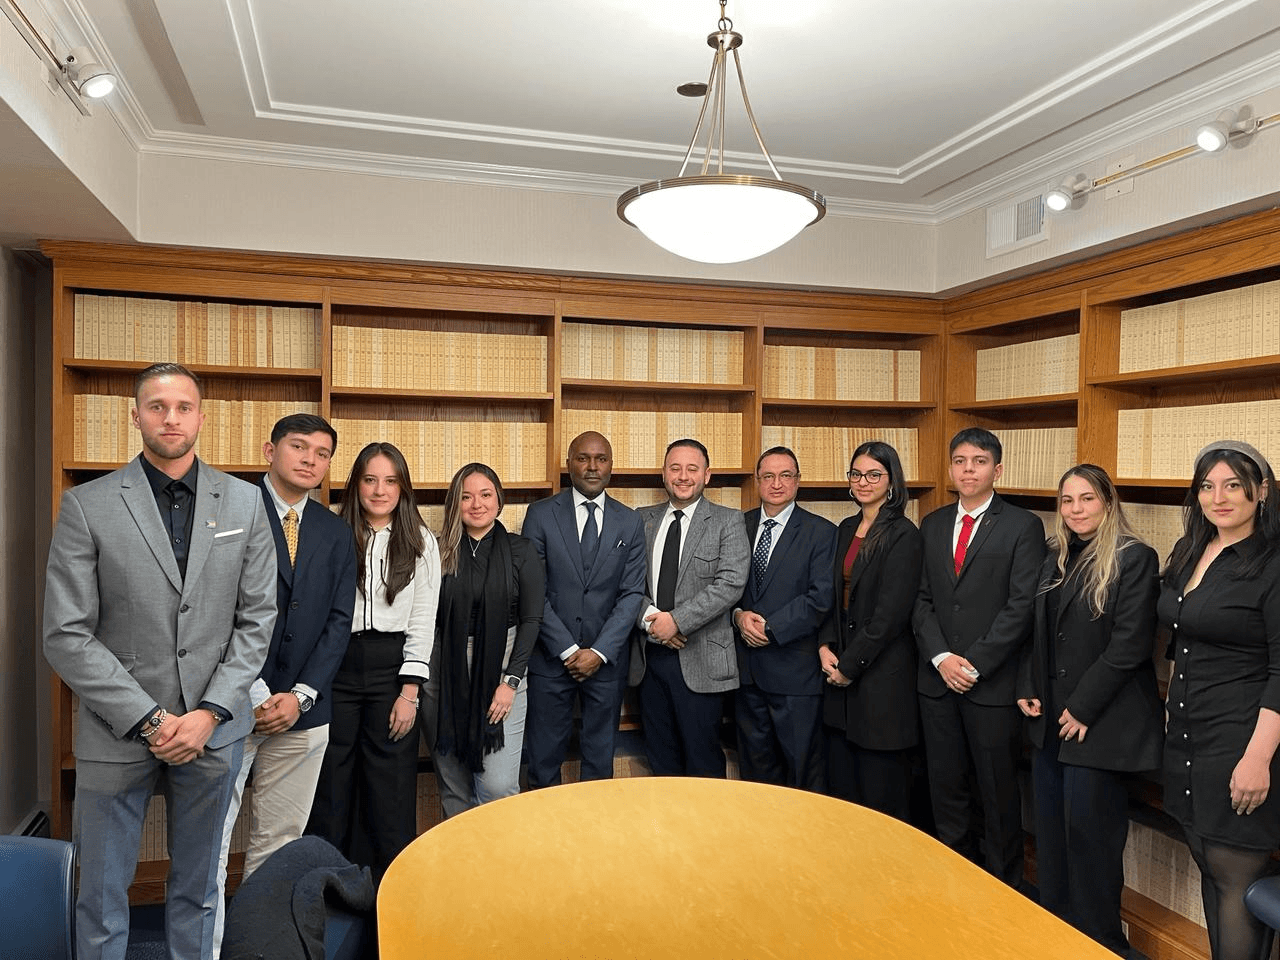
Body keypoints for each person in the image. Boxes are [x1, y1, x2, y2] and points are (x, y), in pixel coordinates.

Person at [43, 362, 276, 960]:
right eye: (157, 406)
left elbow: (256, 621)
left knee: (200, 890)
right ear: (136, 415)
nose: (170, 418)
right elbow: (66, 634)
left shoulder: (247, 502)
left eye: (183, 407)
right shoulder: (87, 505)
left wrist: (209, 714)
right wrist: (150, 719)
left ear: (201, 416)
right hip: (115, 730)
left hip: (213, 731)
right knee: (100, 891)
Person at [214, 414, 357, 953]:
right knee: (213, 835)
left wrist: (300, 696)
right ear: (269, 449)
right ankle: (205, 945)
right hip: (229, 705)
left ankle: (256, 943)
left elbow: (339, 620)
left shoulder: (333, 529)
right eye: (299, 447)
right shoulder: (227, 514)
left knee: (277, 843)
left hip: (305, 711)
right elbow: (212, 614)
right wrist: (254, 693)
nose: (309, 460)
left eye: (322, 453)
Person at [1017, 464, 1162, 955]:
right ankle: (1057, 935)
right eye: (1067, 500)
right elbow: (1036, 633)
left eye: (1087, 499)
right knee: (1052, 839)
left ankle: (1100, 943)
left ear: (1107, 503)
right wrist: (1028, 685)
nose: (1076, 509)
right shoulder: (1055, 556)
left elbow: (1130, 646)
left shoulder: (1134, 557)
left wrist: (1081, 708)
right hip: (1049, 723)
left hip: (1098, 725)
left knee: (1091, 845)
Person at [1160, 441, 1280, 960]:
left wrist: (1258, 758)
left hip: (1241, 742)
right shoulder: (1190, 550)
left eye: (1233, 485)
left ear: (1262, 491)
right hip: (1186, 738)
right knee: (1209, 867)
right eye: (1207, 486)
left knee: (1236, 882)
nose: (1219, 497)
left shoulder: (1273, 564)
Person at [913, 426, 1045, 887]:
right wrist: (941, 659)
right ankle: (955, 883)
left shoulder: (1022, 526)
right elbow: (922, 599)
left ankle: (1002, 887)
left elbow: (1021, 605)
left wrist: (972, 664)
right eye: (961, 461)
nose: (969, 470)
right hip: (937, 681)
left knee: (997, 794)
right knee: (946, 791)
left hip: (989, 685)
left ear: (998, 470)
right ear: (950, 468)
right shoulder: (930, 524)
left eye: (979, 462)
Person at [308, 442, 440, 880]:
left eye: (390, 481)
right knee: (332, 781)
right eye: (370, 480)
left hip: (393, 669)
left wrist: (410, 692)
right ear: (355, 484)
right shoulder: (331, 530)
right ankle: (330, 887)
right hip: (336, 665)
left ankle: (388, 889)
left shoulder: (420, 541)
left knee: (390, 786)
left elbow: (423, 619)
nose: (379, 490)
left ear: (402, 488)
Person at [522, 431, 647, 787]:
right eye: (583, 458)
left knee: (599, 762)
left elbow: (631, 594)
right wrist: (568, 649)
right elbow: (535, 591)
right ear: (569, 464)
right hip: (550, 659)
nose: (592, 467)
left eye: (601, 459)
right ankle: (546, 839)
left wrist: (600, 652)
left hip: (606, 665)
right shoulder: (541, 515)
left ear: (611, 465)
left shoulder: (630, 521)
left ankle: (595, 838)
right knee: (543, 760)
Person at [630, 438, 750, 778]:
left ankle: (707, 831)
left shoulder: (728, 521)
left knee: (703, 760)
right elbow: (627, 583)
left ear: (707, 475)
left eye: (692, 469)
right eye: (675, 468)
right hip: (649, 659)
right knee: (660, 757)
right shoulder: (642, 520)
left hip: (702, 661)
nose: (683, 476)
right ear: (664, 474)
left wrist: (677, 622)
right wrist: (654, 622)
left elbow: (730, 583)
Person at [432, 462, 545, 815]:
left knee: (497, 787)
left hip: (504, 666)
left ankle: (498, 865)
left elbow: (531, 619)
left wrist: (511, 681)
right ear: (455, 503)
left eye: (485, 495)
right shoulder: (437, 551)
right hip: (444, 671)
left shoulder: (520, 551)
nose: (476, 504)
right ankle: (463, 866)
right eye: (466, 497)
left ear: (499, 500)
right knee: (453, 783)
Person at [820, 440, 922, 820]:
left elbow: (890, 616)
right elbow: (831, 595)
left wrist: (850, 666)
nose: (863, 482)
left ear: (892, 480)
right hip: (840, 673)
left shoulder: (904, 535)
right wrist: (825, 646)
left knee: (881, 799)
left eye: (874, 475)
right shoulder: (847, 527)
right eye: (857, 474)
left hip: (880, 678)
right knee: (844, 793)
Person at [732, 446, 834, 790]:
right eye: (768, 476)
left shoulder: (821, 531)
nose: (777, 483)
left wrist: (772, 628)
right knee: (756, 774)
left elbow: (821, 598)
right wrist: (738, 616)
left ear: (798, 481)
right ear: (757, 481)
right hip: (746, 674)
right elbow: (726, 586)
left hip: (795, 675)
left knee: (802, 771)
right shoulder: (738, 525)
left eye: (785, 475)